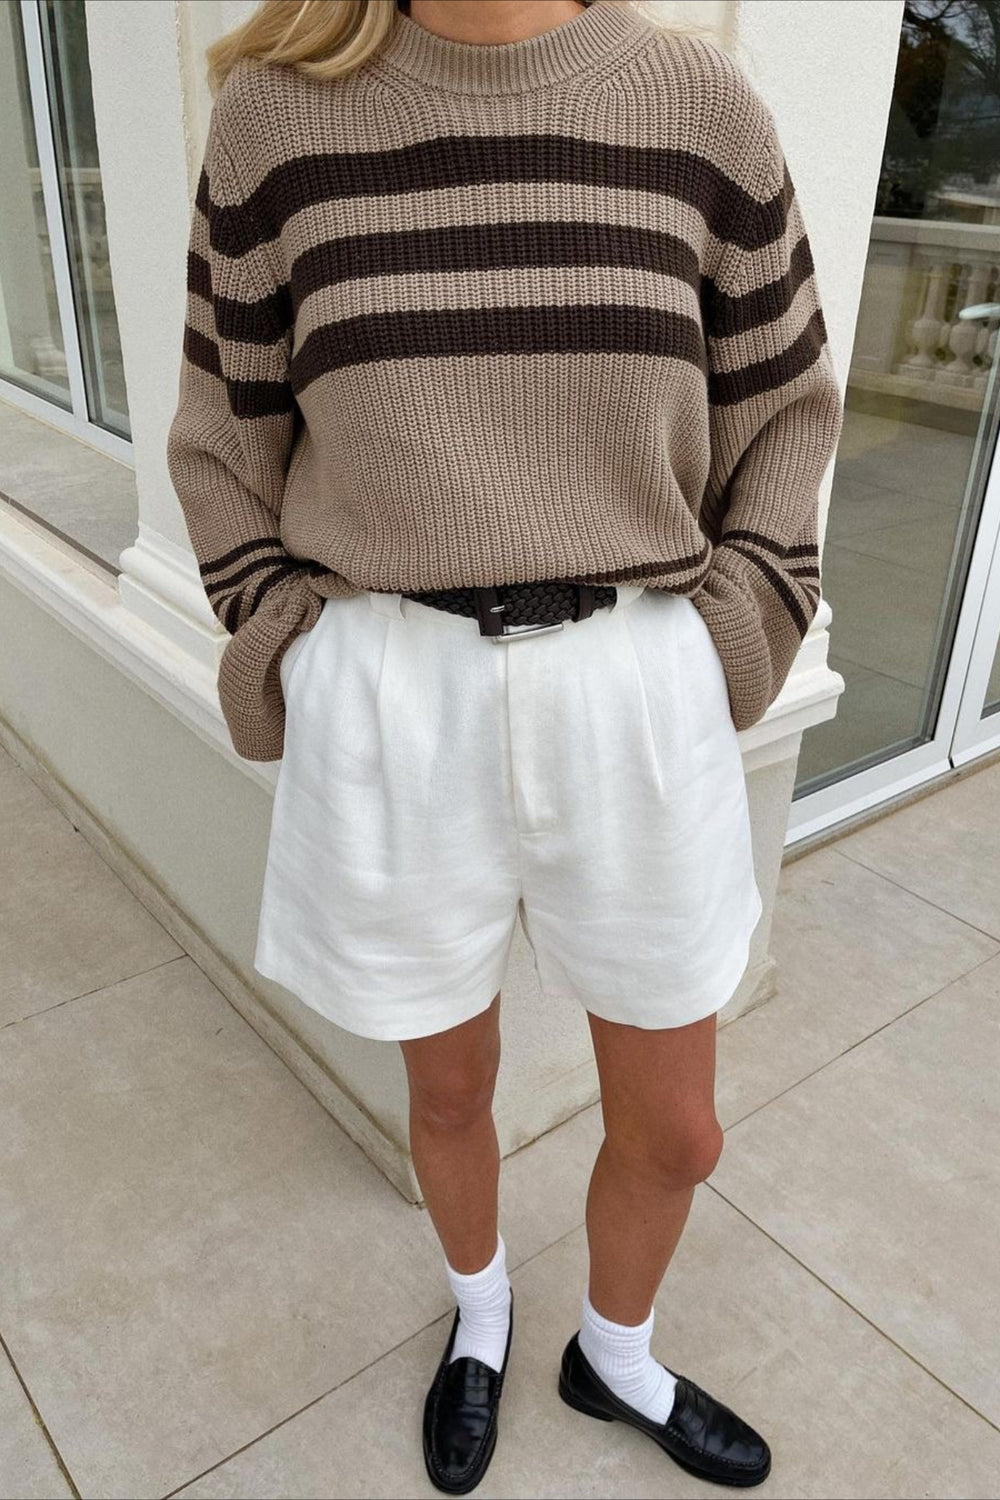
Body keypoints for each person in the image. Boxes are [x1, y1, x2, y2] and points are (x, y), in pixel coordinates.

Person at [166, 0, 844, 1491]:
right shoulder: (277, 118)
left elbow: (786, 408)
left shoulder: (696, 105)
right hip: (395, 694)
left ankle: (617, 1354)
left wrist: (728, 640)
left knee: (677, 1130)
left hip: (636, 685)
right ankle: (480, 1318)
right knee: (449, 1090)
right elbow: (225, 434)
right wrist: (294, 643)